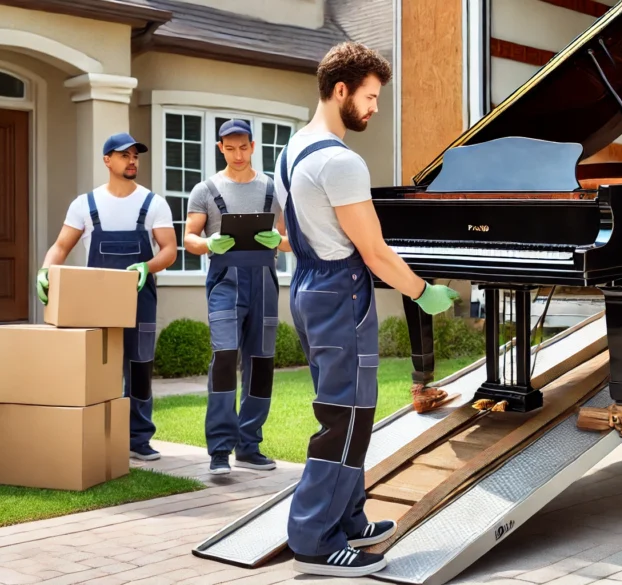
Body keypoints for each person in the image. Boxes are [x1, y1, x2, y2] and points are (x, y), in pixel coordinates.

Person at [274, 42, 459, 577]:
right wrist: (425, 291)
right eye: (371, 97)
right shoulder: (341, 161)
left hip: (308, 288)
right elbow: (376, 254)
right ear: (340, 91)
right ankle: (312, 540)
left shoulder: (292, 150)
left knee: (342, 408)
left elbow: (288, 234)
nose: (375, 108)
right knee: (346, 419)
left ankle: (349, 519)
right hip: (341, 295)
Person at [37, 133, 177, 461]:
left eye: (135, 155)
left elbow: (170, 250)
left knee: (140, 366)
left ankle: (138, 439)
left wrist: (147, 264)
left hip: (139, 298)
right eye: (124, 155)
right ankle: (97, 436)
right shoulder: (85, 205)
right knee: (97, 370)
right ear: (107, 161)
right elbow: (60, 247)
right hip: (94, 301)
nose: (132, 161)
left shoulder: (153, 203)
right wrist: (45, 271)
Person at [184, 119, 289, 475]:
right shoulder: (205, 189)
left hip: (264, 281)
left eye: (243, 147)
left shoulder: (272, 190)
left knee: (260, 362)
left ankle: (249, 445)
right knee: (225, 356)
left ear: (253, 146)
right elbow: (189, 239)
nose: (238, 154)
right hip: (224, 282)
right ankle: (219, 450)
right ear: (221, 148)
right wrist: (208, 243)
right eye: (230, 148)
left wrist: (280, 241)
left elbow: (289, 239)